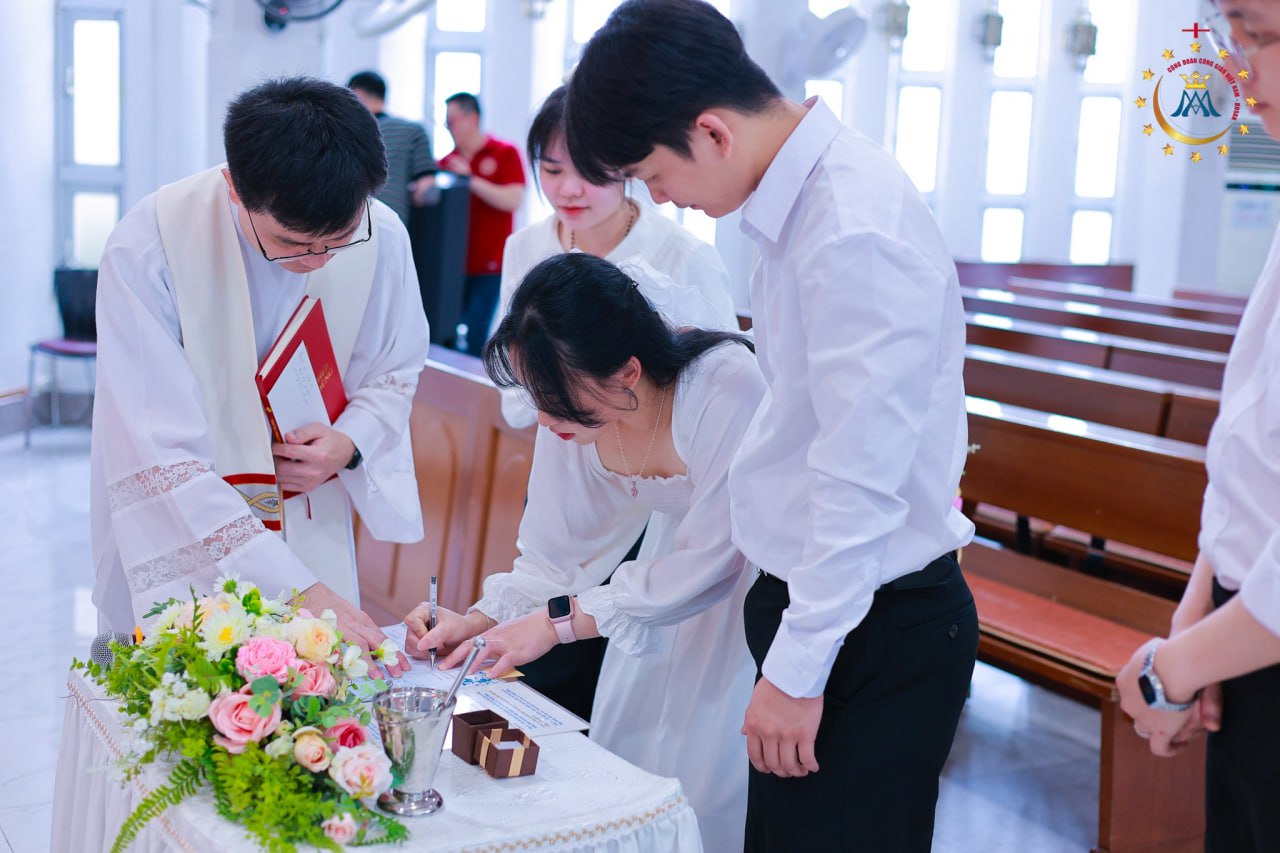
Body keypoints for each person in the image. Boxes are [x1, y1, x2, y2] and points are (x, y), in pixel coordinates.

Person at [564, 2, 979, 849]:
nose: (662, 198)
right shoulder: (798, 206)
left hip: (871, 619)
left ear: (711, 132)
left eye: (652, 173)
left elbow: (858, 478)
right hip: (828, 606)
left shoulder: (852, 227)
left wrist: (797, 669)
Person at [405, 252, 763, 849]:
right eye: (535, 396)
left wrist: (558, 626)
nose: (544, 420)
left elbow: (717, 558)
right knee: (631, 754)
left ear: (627, 372)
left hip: (746, 583)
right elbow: (553, 554)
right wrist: (477, 620)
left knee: (710, 772)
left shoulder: (726, 386)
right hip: (653, 587)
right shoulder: (570, 404)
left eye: (557, 402)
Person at [90, 77, 426, 677]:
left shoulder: (383, 236)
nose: (318, 262)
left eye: (338, 241)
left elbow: (396, 367)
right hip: (187, 531)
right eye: (292, 244)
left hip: (309, 511)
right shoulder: (149, 249)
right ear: (233, 189)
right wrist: (290, 587)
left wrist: (351, 442)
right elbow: (154, 448)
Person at [1116, 4, 1280, 850]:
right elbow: (1257, 444)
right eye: (1231, 39)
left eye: (1260, 36)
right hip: (1246, 629)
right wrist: (1201, 600)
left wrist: (1172, 668)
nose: (1238, 70)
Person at [494, 84, 737, 430]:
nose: (568, 189)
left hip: (661, 457)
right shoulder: (525, 246)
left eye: (588, 171)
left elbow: (725, 388)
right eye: (552, 170)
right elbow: (515, 393)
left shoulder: (685, 255)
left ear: (627, 166)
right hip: (556, 446)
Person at [438, 92, 526, 357]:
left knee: (478, 333)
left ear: (472, 118)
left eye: (452, 121)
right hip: (452, 268)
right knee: (445, 336)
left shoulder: (504, 153)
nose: (449, 128)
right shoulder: (445, 163)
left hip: (490, 264)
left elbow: (512, 199)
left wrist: (471, 180)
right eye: (446, 123)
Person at [347, 70, 438, 226]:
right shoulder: (412, 131)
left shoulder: (344, 133)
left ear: (357, 94)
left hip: (344, 227)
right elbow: (427, 191)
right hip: (391, 225)